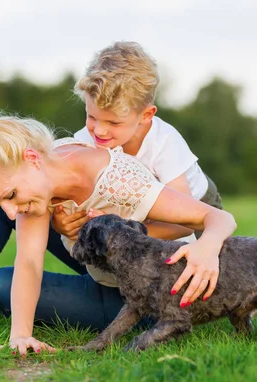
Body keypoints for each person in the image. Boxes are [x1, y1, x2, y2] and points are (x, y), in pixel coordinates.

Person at [0, 112, 236, 356]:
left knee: (0, 285)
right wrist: (21, 335)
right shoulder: (39, 186)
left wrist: (207, 248)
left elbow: (216, 218)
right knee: (2, 278)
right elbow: (28, 263)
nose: (13, 211)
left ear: (32, 158)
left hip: (147, 295)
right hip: (100, 265)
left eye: (12, 196)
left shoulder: (118, 179)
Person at [53, 41, 222, 242]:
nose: (99, 130)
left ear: (146, 115)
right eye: (92, 117)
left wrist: (123, 233)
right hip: (133, 214)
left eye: (114, 122)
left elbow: (183, 225)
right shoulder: (83, 143)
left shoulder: (164, 143)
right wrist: (58, 222)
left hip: (195, 212)